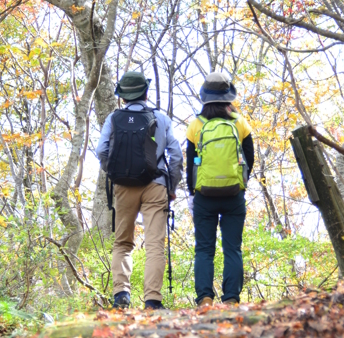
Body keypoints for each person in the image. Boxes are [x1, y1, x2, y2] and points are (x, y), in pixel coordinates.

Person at [97, 70, 183, 310]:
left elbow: (101, 150)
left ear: (123, 97)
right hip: (156, 185)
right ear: (146, 92)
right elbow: (175, 156)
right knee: (155, 243)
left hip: (124, 187)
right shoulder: (161, 119)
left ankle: (121, 296)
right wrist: (172, 186)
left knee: (123, 242)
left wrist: (115, 172)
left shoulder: (114, 119)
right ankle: (153, 301)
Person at [185, 71, 254, 307]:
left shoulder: (196, 125)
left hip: (204, 195)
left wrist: (192, 191)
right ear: (228, 98)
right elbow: (249, 158)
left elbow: (190, 162)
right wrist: (240, 183)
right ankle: (232, 299)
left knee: (204, 248)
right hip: (234, 193)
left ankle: (205, 298)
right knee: (232, 247)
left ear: (205, 97)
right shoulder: (239, 122)